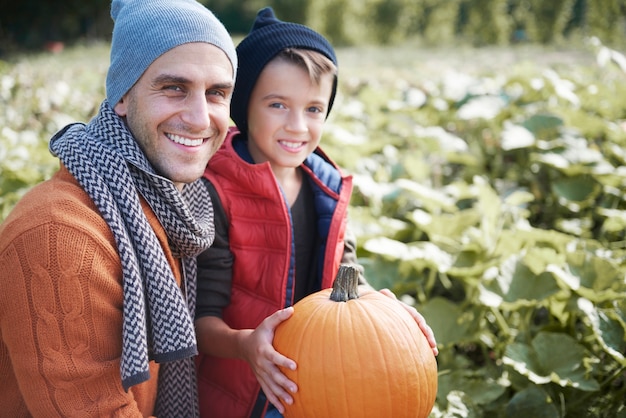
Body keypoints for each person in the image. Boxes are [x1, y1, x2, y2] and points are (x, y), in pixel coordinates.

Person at [194, 7, 438, 418]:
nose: (297, 126)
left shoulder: (328, 189)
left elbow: (348, 284)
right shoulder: (214, 191)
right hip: (236, 393)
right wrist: (246, 345)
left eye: (313, 109)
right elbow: (200, 321)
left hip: (314, 388)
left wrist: (389, 317)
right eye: (277, 105)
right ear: (244, 105)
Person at [0, 0, 237, 416]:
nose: (201, 118)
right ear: (123, 96)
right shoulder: (59, 237)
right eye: (174, 87)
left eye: (216, 93)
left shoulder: (169, 206)